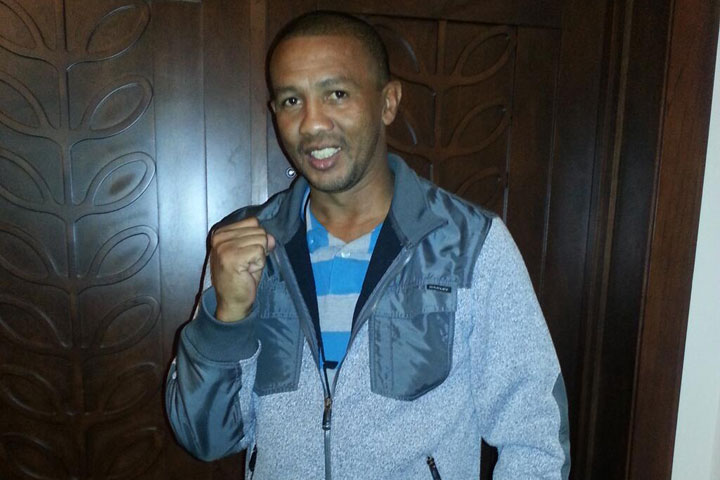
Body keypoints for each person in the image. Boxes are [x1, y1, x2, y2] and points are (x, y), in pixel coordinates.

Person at [165, 11, 570, 480]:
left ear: (387, 102)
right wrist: (226, 319)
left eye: (336, 94)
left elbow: (535, 439)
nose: (312, 124)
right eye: (292, 100)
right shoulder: (244, 246)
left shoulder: (468, 244)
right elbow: (205, 438)